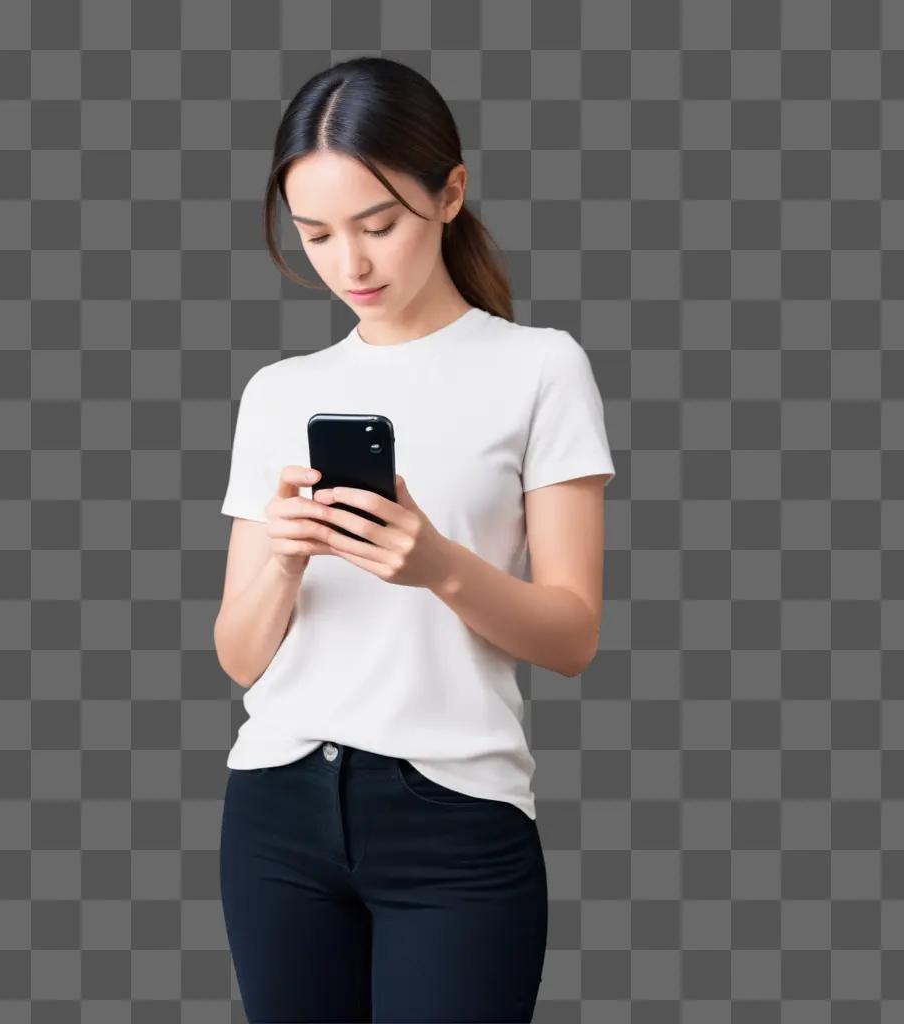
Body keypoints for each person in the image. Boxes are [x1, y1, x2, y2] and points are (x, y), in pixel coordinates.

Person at [215, 56, 615, 1023]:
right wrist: (281, 555)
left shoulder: (539, 369)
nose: (350, 265)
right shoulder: (280, 392)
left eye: (378, 224)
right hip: (275, 810)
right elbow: (238, 656)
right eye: (316, 234)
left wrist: (436, 564)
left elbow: (572, 638)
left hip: (457, 820)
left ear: (451, 192)